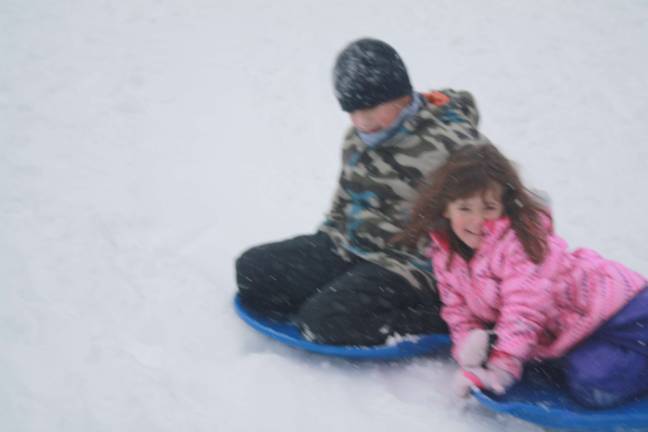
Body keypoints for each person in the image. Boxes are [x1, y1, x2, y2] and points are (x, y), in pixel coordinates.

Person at [236, 38, 491, 346]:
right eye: (352, 111)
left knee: (324, 322)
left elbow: (495, 214)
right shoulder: (357, 139)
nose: (362, 121)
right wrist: (322, 252)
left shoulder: (453, 144)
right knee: (253, 272)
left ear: (401, 95)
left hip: (410, 267)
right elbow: (343, 207)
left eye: (371, 108)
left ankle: (442, 319)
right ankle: (338, 297)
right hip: (350, 250)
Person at [400, 143, 648, 408]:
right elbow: (457, 311)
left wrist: (501, 368)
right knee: (579, 374)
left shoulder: (520, 244)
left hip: (622, 308)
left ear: (504, 207)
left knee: (596, 386)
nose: (477, 220)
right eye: (465, 208)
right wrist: (469, 352)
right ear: (446, 209)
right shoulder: (446, 255)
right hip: (579, 330)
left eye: (488, 208)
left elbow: (524, 311)